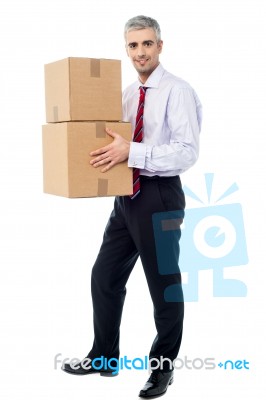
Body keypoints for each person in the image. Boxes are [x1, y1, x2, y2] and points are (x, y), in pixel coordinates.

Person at [62, 15, 202, 398]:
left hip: (159, 196)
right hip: (126, 196)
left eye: (146, 44)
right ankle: (104, 357)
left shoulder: (178, 91)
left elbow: (188, 153)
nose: (140, 52)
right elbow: (113, 140)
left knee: (164, 287)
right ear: (126, 49)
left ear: (159, 46)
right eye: (133, 45)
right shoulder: (126, 93)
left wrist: (133, 151)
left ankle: (162, 369)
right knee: (104, 276)